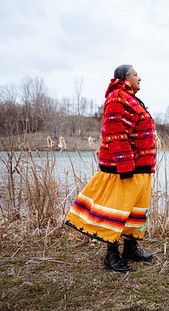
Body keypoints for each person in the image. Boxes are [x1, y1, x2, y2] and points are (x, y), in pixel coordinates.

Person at [65, 64, 156, 273]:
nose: (139, 78)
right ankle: (111, 256)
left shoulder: (130, 98)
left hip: (141, 166)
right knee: (119, 210)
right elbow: (114, 133)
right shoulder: (117, 98)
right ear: (125, 78)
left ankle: (130, 250)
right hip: (123, 167)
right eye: (135, 75)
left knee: (134, 210)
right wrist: (125, 166)